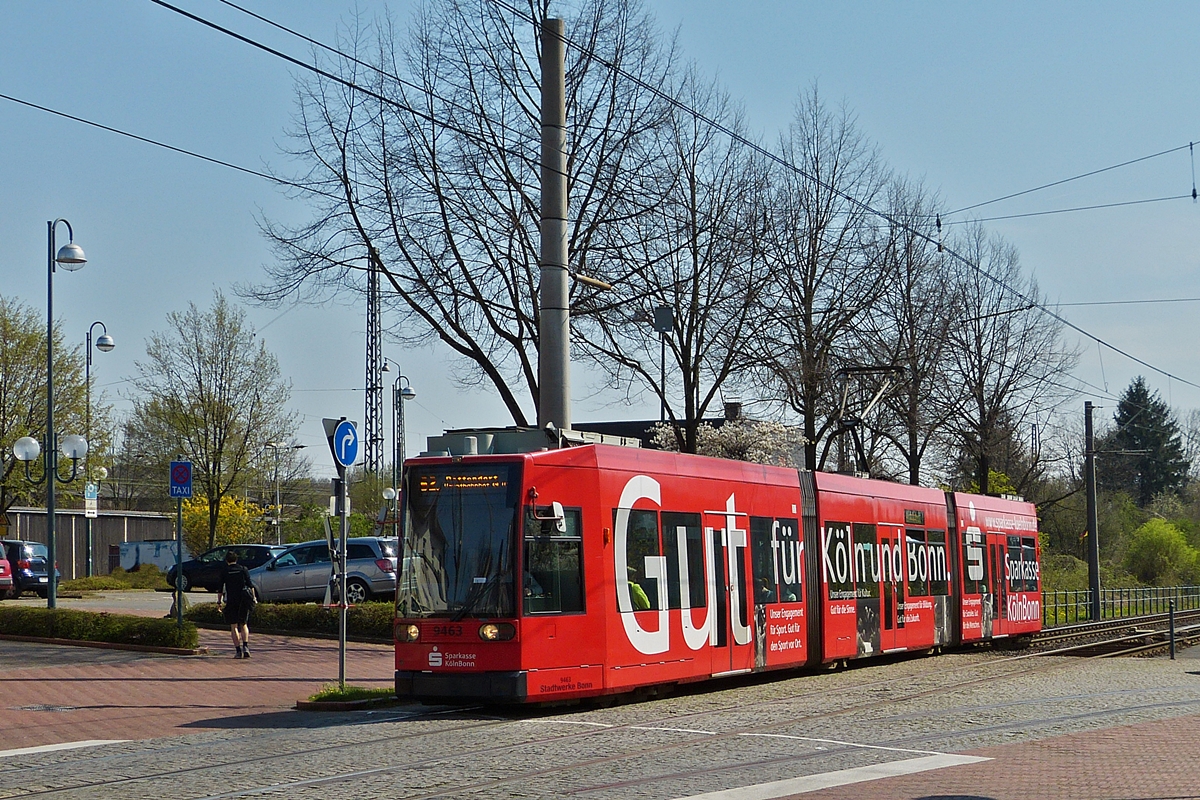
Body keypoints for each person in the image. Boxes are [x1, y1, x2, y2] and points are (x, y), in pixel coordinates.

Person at [216, 550, 253, 658]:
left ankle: (238, 651)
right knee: (244, 624)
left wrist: (219, 602)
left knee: (234, 626)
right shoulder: (243, 569)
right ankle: (246, 646)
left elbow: (220, 589)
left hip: (232, 599)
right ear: (236, 559)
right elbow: (250, 585)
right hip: (244, 599)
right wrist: (253, 599)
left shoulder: (225, 571)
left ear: (227, 560)